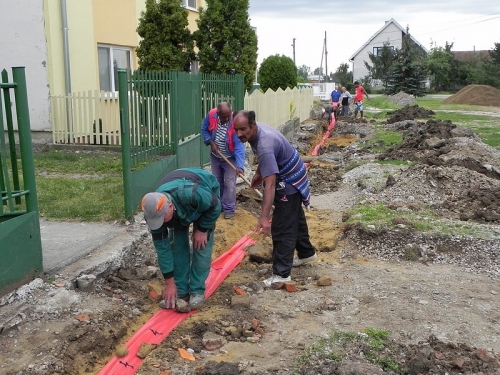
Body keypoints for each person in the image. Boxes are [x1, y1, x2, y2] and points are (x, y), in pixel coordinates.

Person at [232, 110, 317, 288]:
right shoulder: (257, 133)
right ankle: (306, 253)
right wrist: (258, 173)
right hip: (292, 169)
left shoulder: (264, 145)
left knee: (282, 225)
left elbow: (270, 185)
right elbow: (267, 162)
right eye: (236, 129)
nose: (239, 134)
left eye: (243, 129)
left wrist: (264, 217)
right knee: (294, 215)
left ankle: (281, 274)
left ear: (252, 125)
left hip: (291, 178)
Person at [141, 168, 221, 311]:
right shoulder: (154, 213)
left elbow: (215, 206)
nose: (160, 223)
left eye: (162, 219)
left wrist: (202, 229)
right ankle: (181, 291)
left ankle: (197, 290)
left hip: (205, 196)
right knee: (177, 247)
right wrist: (170, 284)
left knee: (201, 245)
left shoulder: (193, 194)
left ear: (170, 207)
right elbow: (163, 249)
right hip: (179, 209)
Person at [201, 102, 245, 219]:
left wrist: (240, 166)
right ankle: (219, 206)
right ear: (218, 114)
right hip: (216, 157)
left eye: (228, 116)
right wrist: (211, 142)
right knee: (217, 182)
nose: (226, 119)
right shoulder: (211, 115)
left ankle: (229, 208)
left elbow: (239, 146)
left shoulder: (235, 122)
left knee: (230, 183)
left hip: (230, 158)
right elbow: (204, 129)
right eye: (223, 116)